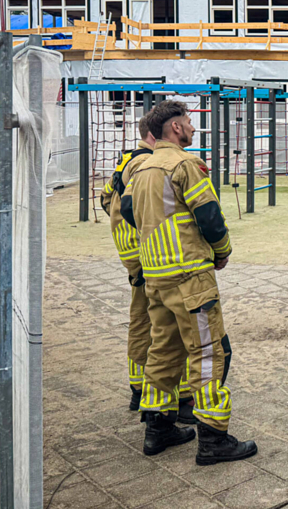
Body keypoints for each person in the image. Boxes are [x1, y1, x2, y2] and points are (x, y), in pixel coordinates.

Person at [121, 100, 257, 465]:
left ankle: (158, 428)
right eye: (189, 122)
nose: (193, 128)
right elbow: (209, 215)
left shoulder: (143, 167)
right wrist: (222, 250)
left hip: (156, 277)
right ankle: (213, 438)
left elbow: (127, 211)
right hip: (190, 276)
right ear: (175, 128)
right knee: (209, 351)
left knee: (163, 350)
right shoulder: (184, 164)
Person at [100, 116, 196, 422]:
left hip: (134, 256)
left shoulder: (126, 160)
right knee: (161, 330)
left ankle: (140, 390)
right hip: (148, 259)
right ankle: (167, 397)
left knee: (143, 323)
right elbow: (126, 207)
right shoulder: (145, 164)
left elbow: (105, 198)